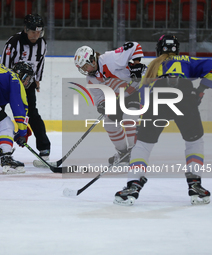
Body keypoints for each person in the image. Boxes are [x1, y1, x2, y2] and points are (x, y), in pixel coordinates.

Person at [114, 34, 212, 206]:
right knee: (194, 141)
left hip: (158, 98)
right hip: (185, 96)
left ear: (159, 49)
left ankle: (133, 185)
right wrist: (201, 90)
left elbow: (143, 93)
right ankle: (195, 185)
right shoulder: (187, 61)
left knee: (143, 144)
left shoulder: (153, 65)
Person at [0, 13, 51, 164]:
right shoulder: (13, 42)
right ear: (26, 29)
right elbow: (3, 65)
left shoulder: (42, 44)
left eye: (39, 32)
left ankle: (44, 147)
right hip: (6, 84)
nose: (36, 35)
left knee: (32, 114)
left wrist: (37, 80)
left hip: (27, 84)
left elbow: (40, 63)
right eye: (33, 32)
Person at [74, 42, 146, 165]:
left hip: (137, 89)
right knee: (109, 123)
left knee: (129, 118)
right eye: (83, 68)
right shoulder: (91, 79)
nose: (85, 70)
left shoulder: (110, 59)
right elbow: (99, 98)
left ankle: (135, 152)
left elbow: (134, 46)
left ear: (92, 60)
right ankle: (123, 153)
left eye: (85, 66)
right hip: (121, 96)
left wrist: (136, 66)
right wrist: (103, 105)